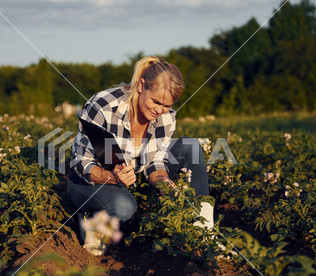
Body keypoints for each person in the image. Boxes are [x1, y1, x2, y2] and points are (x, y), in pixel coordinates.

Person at [67, 56, 213, 255]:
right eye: (156, 102)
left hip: (130, 178)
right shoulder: (103, 106)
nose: (159, 110)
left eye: (166, 105)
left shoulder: (166, 116)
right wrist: (111, 177)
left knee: (191, 148)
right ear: (142, 85)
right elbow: (80, 162)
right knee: (125, 206)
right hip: (89, 181)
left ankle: (202, 230)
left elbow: (154, 162)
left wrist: (165, 185)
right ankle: (90, 216)